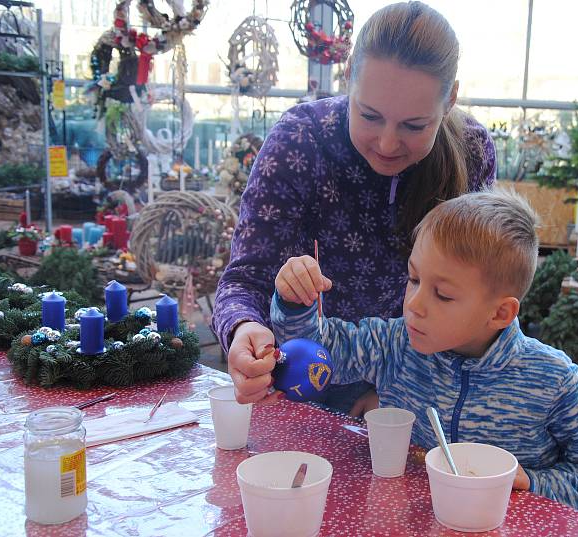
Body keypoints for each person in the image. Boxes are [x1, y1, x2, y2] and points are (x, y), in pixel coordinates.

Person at [264, 189, 578, 510]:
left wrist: (534, 484)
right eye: (414, 278)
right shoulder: (395, 343)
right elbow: (320, 350)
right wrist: (295, 302)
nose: (415, 304)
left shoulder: (552, 379)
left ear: (500, 313)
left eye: (443, 294)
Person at [212, 1, 496, 413]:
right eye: (369, 116)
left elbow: (478, 296)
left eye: (414, 126)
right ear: (349, 77)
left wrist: (402, 391)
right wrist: (244, 328)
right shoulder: (301, 140)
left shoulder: (472, 152)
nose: (386, 144)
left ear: (449, 99)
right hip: (307, 382)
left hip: (426, 394)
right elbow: (246, 279)